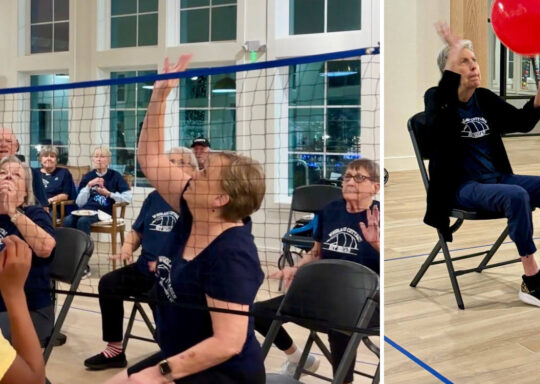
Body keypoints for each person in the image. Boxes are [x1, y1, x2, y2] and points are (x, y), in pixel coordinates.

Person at [107, 54, 266, 384]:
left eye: (204, 173)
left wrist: (160, 373)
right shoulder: (196, 212)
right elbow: (150, 158)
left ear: (220, 199)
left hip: (221, 372)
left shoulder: (231, 255)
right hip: (179, 353)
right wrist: (160, 95)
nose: (192, 174)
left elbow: (227, 342)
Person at [424, 22, 540, 312]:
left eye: (474, 60)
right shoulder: (436, 99)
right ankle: (531, 281)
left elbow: (522, 121)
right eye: (463, 62)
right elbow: (437, 121)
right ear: (449, 71)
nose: (473, 66)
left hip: (497, 177)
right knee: (515, 195)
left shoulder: (484, 99)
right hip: (462, 187)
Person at [255, 158, 380, 382]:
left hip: (364, 301)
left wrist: (376, 244)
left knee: (339, 322)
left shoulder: (378, 216)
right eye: (347, 176)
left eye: (359, 177)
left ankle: (344, 380)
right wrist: (296, 268)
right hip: (325, 292)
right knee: (258, 313)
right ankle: (296, 358)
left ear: (375, 187)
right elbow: (316, 252)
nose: (350, 181)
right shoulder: (330, 210)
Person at [83, 148, 198, 371]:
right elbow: (137, 232)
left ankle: (173, 352)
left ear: (193, 170)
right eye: (170, 161)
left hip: (177, 275)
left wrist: (169, 263)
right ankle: (115, 350)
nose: (173, 165)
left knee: (160, 295)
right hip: (144, 267)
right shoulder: (154, 197)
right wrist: (127, 248)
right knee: (108, 283)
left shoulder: (195, 200)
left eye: (181, 162)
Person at [0, 157, 56, 344]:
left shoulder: (34, 214)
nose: (8, 177)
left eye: (16, 175)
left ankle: (28, 373)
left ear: (25, 191)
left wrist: (12, 212)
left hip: (28, 311)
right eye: (2, 173)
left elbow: (46, 248)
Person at [0, 235, 47, 384]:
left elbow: (46, 247)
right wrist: (14, 292)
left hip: (38, 308)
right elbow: (35, 380)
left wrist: (14, 215)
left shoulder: (34, 215)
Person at [62, 147, 132, 236]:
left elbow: (128, 198)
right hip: (85, 211)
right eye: (96, 157)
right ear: (93, 159)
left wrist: (109, 194)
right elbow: (79, 203)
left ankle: (85, 249)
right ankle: (71, 249)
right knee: (68, 220)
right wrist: (88, 186)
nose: (98, 159)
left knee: (83, 221)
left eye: (102, 157)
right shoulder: (88, 177)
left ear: (109, 160)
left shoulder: (115, 176)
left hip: (103, 212)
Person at [0, 129, 46, 208]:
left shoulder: (31, 173)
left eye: (8, 141)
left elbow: (44, 208)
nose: (3, 144)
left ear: (16, 146)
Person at [31, 146, 76, 210]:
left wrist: (49, 201)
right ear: (40, 159)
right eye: (45, 156)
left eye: (52, 156)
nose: (49, 158)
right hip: (35, 206)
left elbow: (65, 195)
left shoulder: (64, 172)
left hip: (54, 208)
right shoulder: (34, 172)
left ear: (57, 160)